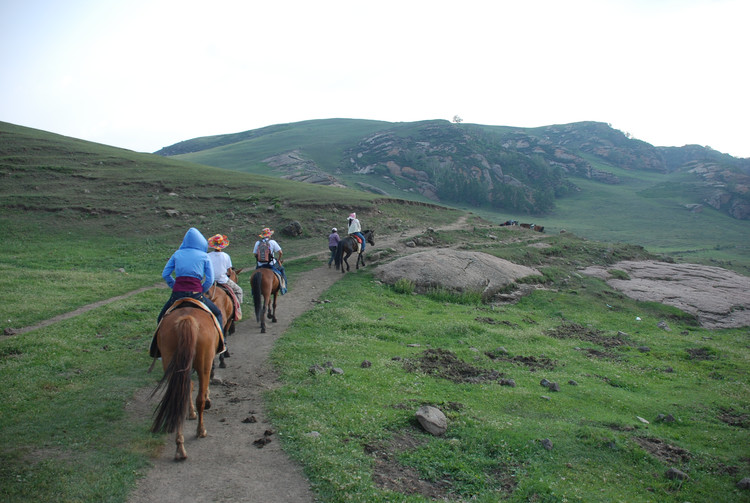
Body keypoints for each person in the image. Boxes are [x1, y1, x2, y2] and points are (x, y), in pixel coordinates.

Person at [158, 227, 223, 329]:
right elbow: (210, 279)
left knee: (160, 318)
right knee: (218, 314)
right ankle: (223, 343)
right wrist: (201, 290)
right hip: (196, 294)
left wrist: (174, 285)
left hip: (177, 294)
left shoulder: (177, 254)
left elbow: (165, 274)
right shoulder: (204, 256)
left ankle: (156, 344)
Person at [208, 233, 243, 304]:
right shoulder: (226, 256)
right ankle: (238, 311)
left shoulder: (208, 255)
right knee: (239, 291)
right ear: (222, 245)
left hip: (210, 281)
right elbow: (230, 272)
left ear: (213, 245)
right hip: (223, 281)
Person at [253, 227, 287, 293]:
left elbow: (255, 254)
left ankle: (253, 291)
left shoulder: (257, 243)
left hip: (260, 265)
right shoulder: (272, 242)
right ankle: (283, 288)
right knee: (282, 270)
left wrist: (260, 259)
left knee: (255, 276)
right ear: (269, 235)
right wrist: (278, 260)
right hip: (271, 264)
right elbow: (280, 252)